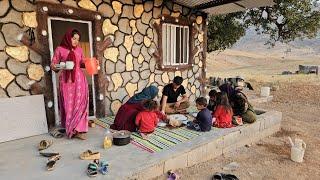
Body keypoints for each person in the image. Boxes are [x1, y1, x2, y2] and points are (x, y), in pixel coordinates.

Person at [50, 29, 89, 140]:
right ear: (68, 37)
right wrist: (60, 66)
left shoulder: (79, 50)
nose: (76, 41)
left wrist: (90, 62)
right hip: (67, 82)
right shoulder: (60, 49)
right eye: (74, 38)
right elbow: (53, 65)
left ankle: (79, 129)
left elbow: (81, 63)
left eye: (78, 39)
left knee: (81, 103)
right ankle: (71, 128)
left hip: (80, 80)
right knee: (69, 104)